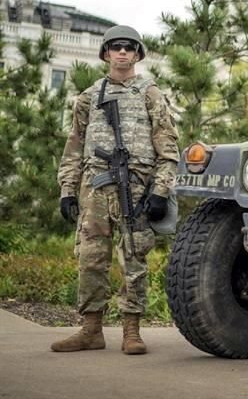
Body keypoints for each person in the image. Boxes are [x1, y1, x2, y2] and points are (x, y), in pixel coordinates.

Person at [51, 25, 179, 355]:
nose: (122, 52)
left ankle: (131, 331)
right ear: (106, 53)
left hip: (136, 189)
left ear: (137, 54)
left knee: (134, 257)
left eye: (129, 47)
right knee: (91, 259)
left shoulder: (150, 94)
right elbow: (74, 148)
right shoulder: (89, 97)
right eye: (116, 47)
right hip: (95, 189)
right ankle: (91, 330)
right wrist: (67, 189)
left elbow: (168, 149)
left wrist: (161, 192)